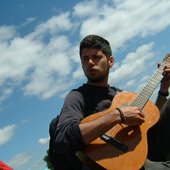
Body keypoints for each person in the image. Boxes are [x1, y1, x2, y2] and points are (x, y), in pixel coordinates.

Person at [53, 35, 170, 170]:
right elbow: (63, 140)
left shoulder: (122, 95)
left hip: (141, 150)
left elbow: (150, 122)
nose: (90, 62)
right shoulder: (77, 96)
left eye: (96, 57)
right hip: (110, 163)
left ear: (110, 61)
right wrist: (118, 115)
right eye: (85, 59)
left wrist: (163, 89)